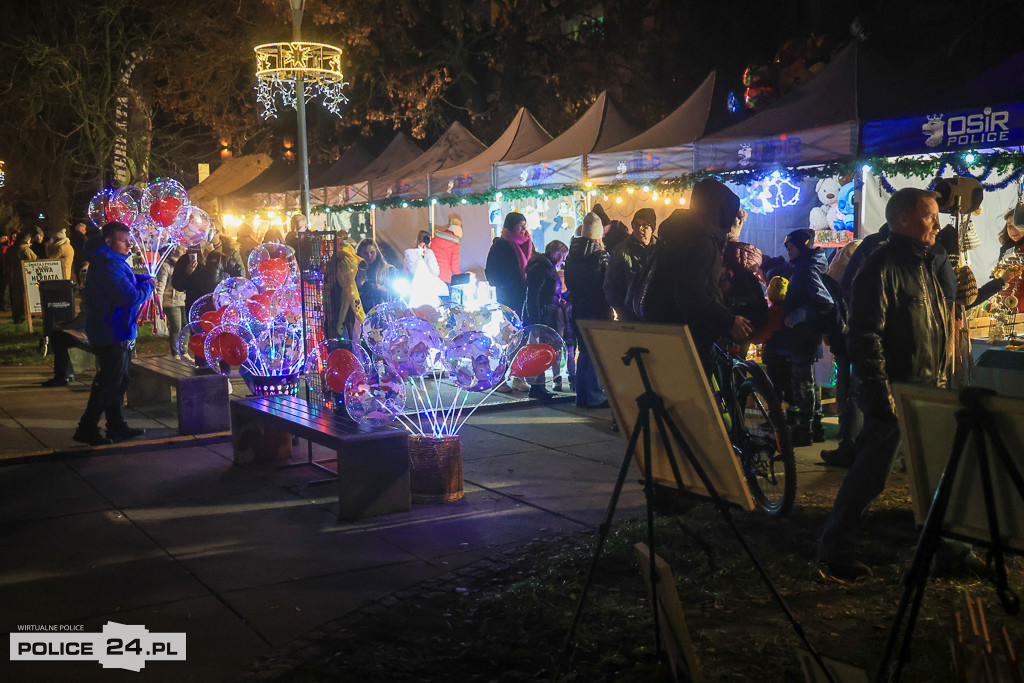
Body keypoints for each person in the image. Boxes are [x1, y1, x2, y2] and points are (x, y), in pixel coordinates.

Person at [816, 188, 979, 582]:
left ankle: (952, 551)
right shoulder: (880, 267)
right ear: (903, 218)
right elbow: (865, 336)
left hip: (930, 389)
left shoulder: (927, 264)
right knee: (871, 475)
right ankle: (834, 549)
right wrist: (879, 394)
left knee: (942, 473)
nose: (937, 225)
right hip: (898, 393)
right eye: (929, 216)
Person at [642, 179, 752, 373]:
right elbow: (693, 294)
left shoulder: (677, 233)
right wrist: (727, 319)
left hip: (662, 326)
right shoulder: (704, 241)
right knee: (698, 392)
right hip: (690, 332)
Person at [73, 221, 156, 446]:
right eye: (123, 240)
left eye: (129, 240)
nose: (129, 244)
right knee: (109, 383)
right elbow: (128, 297)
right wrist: (149, 287)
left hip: (120, 330)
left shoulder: (114, 262)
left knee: (117, 382)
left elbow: (127, 282)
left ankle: (116, 426)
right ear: (108, 241)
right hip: (113, 331)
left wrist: (143, 280)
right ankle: (87, 428)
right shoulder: (107, 264)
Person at [775, 228, 834, 446]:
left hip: (803, 336)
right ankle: (815, 427)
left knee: (803, 383)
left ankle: (805, 429)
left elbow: (824, 301)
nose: (788, 250)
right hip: (801, 336)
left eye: (791, 246)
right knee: (806, 382)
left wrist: (799, 315)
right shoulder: (803, 267)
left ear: (803, 246)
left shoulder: (808, 270)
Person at [564, 213, 612, 408]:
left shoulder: (572, 255)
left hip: (578, 307)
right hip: (597, 308)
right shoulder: (600, 255)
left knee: (583, 350)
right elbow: (606, 284)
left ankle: (581, 394)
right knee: (595, 351)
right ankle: (594, 395)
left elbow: (569, 283)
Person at [523, 240, 569, 401]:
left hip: (546, 314)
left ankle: (539, 386)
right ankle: (537, 386)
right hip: (543, 316)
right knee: (540, 351)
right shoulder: (543, 269)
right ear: (557, 254)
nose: (563, 260)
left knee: (542, 351)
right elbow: (533, 294)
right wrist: (536, 320)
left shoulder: (544, 267)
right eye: (563, 256)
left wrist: (556, 300)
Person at [604, 208, 657, 322]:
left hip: (655, 314)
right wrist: (622, 311)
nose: (639, 229)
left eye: (645, 225)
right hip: (630, 316)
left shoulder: (660, 250)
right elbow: (611, 285)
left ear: (652, 228)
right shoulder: (620, 251)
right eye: (636, 225)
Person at [485, 212, 533, 313]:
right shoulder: (500, 246)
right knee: (511, 326)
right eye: (520, 226)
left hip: (527, 294)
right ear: (511, 226)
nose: (524, 229)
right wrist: (506, 283)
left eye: (525, 225)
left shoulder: (527, 244)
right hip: (508, 296)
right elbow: (491, 272)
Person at [156, 245, 188, 357]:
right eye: (181, 248)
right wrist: (158, 305)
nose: (184, 250)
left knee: (186, 325)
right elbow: (161, 285)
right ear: (174, 250)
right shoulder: (166, 266)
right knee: (176, 326)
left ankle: (184, 351)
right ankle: (176, 353)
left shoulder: (186, 265)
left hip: (183, 299)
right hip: (171, 301)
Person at [8, 228, 41, 324]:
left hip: (14, 275)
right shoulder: (24, 248)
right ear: (27, 239)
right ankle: (26, 314)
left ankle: (16, 316)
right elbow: (34, 259)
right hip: (24, 274)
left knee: (16, 296)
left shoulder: (11, 248)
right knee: (25, 295)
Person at [355, 238, 395, 313]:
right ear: (360, 254)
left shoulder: (388, 269)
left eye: (372, 252)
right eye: (365, 253)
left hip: (383, 311)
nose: (369, 256)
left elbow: (394, 294)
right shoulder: (356, 271)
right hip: (362, 312)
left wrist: (381, 288)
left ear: (377, 252)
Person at [430, 215, 463, 284]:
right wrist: (459, 280)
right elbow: (455, 267)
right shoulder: (455, 246)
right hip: (446, 278)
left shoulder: (434, 240)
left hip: (433, 276)